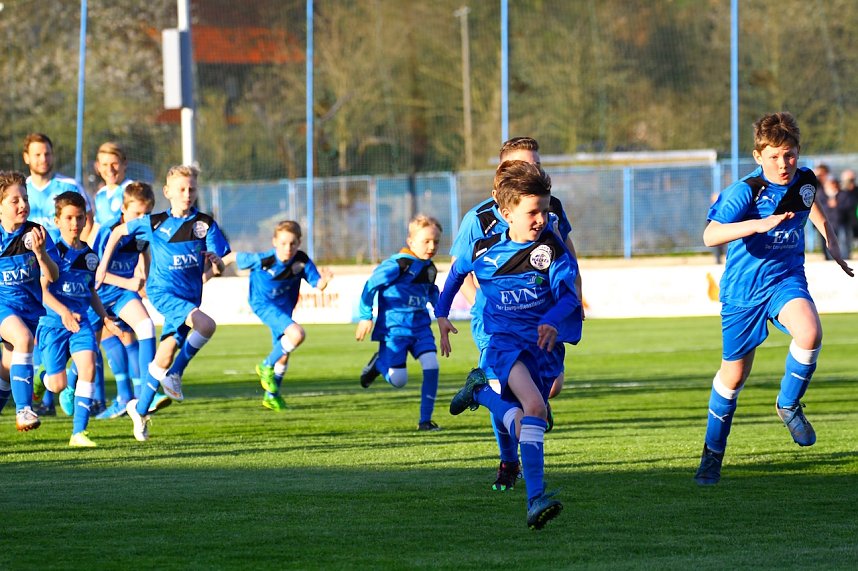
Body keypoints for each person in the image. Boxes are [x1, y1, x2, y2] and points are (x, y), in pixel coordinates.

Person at [695, 112, 853, 486]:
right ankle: (712, 455)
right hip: (743, 294)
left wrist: (830, 240)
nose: (783, 164)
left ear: (798, 153)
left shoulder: (804, 179)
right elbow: (710, 236)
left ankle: (787, 404)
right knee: (732, 379)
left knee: (810, 333)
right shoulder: (745, 191)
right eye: (775, 156)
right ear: (758, 156)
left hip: (785, 280)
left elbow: (809, 203)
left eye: (790, 155)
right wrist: (757, 224)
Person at [435, 161, 583, 530]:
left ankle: (482, 393)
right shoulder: (484, 251)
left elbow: (570, 297)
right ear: (506, 213)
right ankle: (536, 499)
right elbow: (453, 276)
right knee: (535, 407)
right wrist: (441, 314)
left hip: (542, 346)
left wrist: (552, 318)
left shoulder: (552, 248)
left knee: (527, 419)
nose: (541, 219)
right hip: (503, 343)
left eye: (545, 211)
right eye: (532, 212)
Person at [95, 165, 230, 441]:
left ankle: (140, 409)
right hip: (162, 294)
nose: (187, 194)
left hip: (189, 296)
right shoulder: (154, 222)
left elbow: (219, 266)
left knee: (164, 355)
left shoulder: (205, 224)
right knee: (207, 324)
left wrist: (216, 266)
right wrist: (102, 268)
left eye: (191, 188)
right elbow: (119, 233)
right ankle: (176, 375)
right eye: (181, 189)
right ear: (167, 192)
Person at [69, 182, 167, 420]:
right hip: (98, 296)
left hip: (123, 296)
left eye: (146, 214)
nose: (141, 219)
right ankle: (66, 384)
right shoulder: (107, 232)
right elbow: (96, 273)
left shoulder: (143, 231)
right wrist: (130, 283)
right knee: (85, 350)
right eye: (136, 214)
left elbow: (143, 252)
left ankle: (147, 392)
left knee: (145, 327)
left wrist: (143, 274)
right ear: (123, 210)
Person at [36, 191, 122, 446]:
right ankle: (43, 376)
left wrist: (105, 317)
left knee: (88, 367)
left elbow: (90, 290)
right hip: (53, 324)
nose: (75, 223)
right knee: (57, 384)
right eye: (69, 218)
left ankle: (79, 433)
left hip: (81, 322)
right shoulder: (52, 252)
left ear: (86, 220)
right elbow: (41, 292)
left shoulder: (91, 256)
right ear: (57, 220)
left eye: (80, 218)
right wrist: (62, 312)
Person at [219, 221, 332, 411]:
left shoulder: (302, 261)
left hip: (284, 308)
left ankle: (271, 396)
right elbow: (232, 257)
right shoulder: (264, 259)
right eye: (283, 243)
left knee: (283, 353)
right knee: (297, 335)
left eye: (293, 243)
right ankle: (265, 366)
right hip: (262, 304)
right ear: (274, 242)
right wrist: (211, 270)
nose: (288, 248)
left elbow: (318, 284)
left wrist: (325, 281)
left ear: (299, 242)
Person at [22, 132, 95, 415]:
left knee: (71, 328)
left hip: (59, 268)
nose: (43, 159)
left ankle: (58, 391)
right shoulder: (22, 189)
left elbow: (87, 222)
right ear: (27, 157)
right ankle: (49, 386)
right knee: (36, 331)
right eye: (37, 154)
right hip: (25, 270)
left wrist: (81, 256)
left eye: (47, 153)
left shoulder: (67, 186)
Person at [356, 214, 443, 431]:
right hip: (395, 329)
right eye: (426, 241)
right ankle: (378, 364)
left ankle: (425, 421)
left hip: (421, 327)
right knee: (399, 380)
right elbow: (370, 286)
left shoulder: (430, 267)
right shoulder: (398, 264)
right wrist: (365, 316)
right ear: (411, 241)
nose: (432, 246)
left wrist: (442, 314)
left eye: (436, 241)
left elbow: (432, 292)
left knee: (432, 365)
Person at [0, 171, 60, 430]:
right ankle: (24, 410)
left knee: (6, 371)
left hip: (29, 311)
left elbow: (53, 275)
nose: (23, 205)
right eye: (15, 201)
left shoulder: (37, 234)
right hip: (4, 307)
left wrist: (40, 253)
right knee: (23, 339)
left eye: (25, 198)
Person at [92, 141, 135, 226]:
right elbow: (97, 228)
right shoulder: (100, 194)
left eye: (114, 164)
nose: (110, 169)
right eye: (105, 164)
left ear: (125, 163)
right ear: (98, 167)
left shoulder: (133, 191)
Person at [835, 169, 857, 258]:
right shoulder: (839, 190)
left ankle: (847, 255)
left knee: (849, 238)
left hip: (852, 219)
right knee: (843, 238)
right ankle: (844, 257)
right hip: (840, 219)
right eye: (849, 180)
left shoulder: (855, 191)